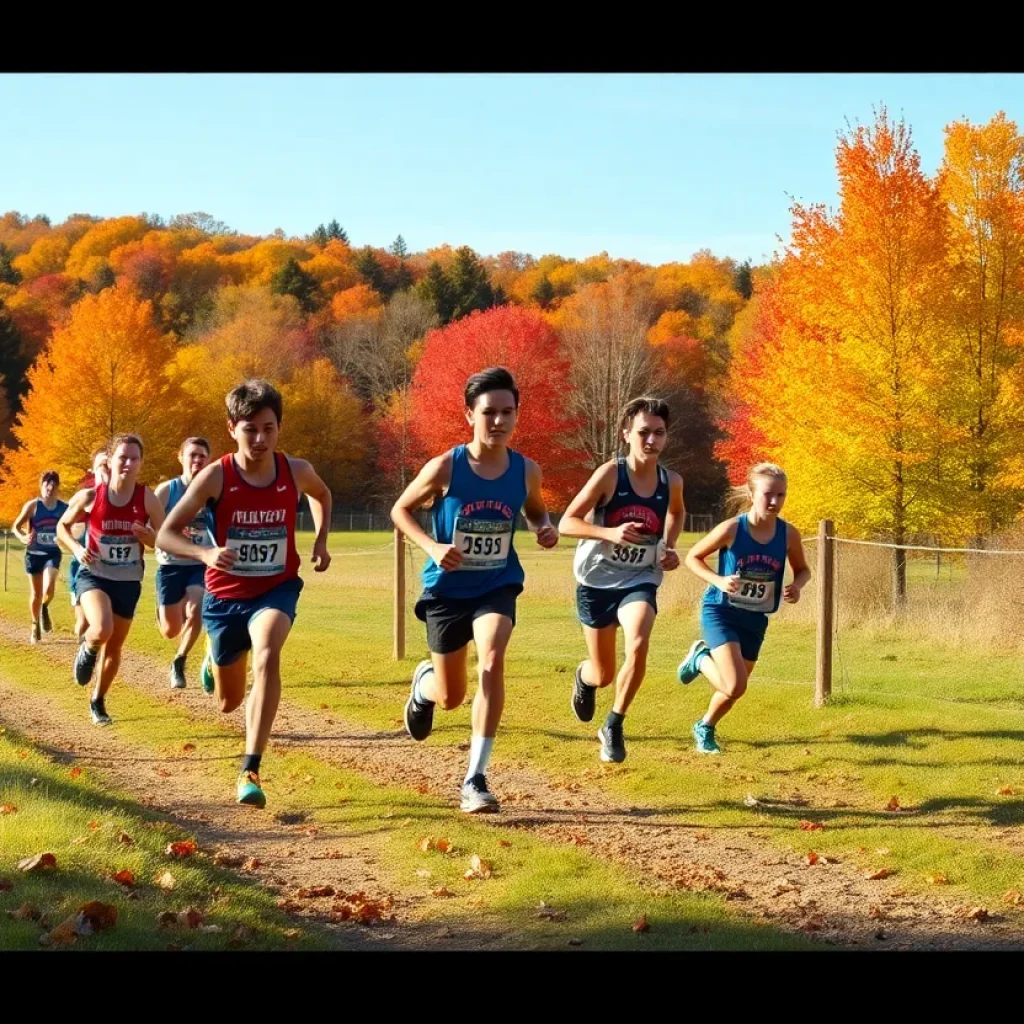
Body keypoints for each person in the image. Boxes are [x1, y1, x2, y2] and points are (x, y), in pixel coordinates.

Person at [155, 379, 332, 810]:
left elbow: (322, 494)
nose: (260, 439)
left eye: (269, 429)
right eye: (250, 429)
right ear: (232, 427)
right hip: (224, 598)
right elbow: (166, 533)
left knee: (268, 653)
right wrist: (205, 552)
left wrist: (321, 540)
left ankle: (250, 768)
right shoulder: (216, 476)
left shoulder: (296, 470)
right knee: (228, 702)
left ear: (279, 428)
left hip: (277, 587)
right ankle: (214, 663)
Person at [391, 366, 559, 814]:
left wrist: (544, 528)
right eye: (489, 413)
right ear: (470, 415)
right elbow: (401, 509)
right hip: (446, 589)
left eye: (507, 412)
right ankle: (425, 686)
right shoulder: (447, 466)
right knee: (451, 697)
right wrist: (431, 545)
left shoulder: (526, 470)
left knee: (491, 657)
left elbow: (537, 511)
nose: (499, 421)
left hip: (496, 583)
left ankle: (475, 778)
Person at [558, 397, 685, 763]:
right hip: (596, 580)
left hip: (640, 577)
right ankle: (585, 677)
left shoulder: (671, 482)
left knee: (640, 641)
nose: (651, 441)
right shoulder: (610, 474)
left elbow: (676, 512)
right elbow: (567, 522)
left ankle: (613, 723)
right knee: (603, 673)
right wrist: (609, 533)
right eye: (643, 432)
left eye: (659, 433)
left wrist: (669, 546)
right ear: (626, 434)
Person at [676, 462, 811, 754]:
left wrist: (797, 587)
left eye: (781, 495)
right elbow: (693, 558)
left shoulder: (789, 535)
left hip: (755, 619)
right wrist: (719, 580)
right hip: (721, 611)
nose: (775, 501)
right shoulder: (732, 529)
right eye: (768, 494)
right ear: (751, 494)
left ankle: (705, 726)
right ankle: (700, 659)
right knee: (735, 685)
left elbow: (803, 570)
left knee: (732, 689)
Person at [57, 434, 164, 726]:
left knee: (115, 647)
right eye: (122, 457)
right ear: (111, 460)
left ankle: (98, 699)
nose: (128, 463)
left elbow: (164, 540)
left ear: (141, 463)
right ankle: (88, 647)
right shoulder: (91, 497)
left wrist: (149, 536)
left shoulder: (147, 498)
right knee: (101, 628)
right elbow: (62, 527)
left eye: (134, 458)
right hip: (94, 575)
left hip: (128, 580)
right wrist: (77, 549)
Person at [154, 437, 214, 690]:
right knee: (170, 629)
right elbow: (153, 528)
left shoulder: (212, 492)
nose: (197, 460)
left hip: (199, 563)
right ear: (181, 457)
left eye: (202, 456)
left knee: (196, 609)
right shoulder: (167, 490)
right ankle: (164, 614)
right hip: (170, 566)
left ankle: (180, 660)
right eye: (193, 455)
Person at [12, 471, 69, 643]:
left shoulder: (63, 508)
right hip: (33, 554)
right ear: (41, 486)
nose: (49, 490)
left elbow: (71, 525)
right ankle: (35, 624)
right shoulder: (33, 506)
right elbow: (16, 526)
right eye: (46, 486)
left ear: (57, 488)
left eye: (52, 487)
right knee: (36, 594)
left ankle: (44, 607)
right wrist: (22, 537)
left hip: (52, 552)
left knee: (49, 588)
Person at [67, 449, 110, 639]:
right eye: (102, 465)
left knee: (107, 626)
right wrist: (77, 548)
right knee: (84, 623)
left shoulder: (127, 496)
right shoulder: (84, 497)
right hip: (85, 566)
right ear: (92, 470)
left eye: (109, 464)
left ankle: (95, 660)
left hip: (115, 570)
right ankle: (83, 657)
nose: (106, 469)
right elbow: (63, 530)